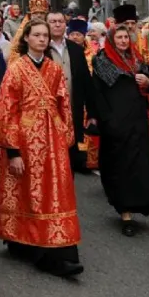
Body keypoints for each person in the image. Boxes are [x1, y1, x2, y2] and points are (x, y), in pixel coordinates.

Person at [0, 17, 83, 278]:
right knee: (26, 193)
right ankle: (27, 244)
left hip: (51, 142)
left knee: (55, 195)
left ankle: (58, 251)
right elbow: (7, 110)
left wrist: (65, 137)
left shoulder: (54, 69)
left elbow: (64, 106)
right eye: (37, 35)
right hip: (24, 141)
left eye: (45, 35)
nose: (42, 39)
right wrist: (13, 151)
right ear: (26, 38)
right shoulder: (16, 69)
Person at [92, 24, 149, 235]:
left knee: (138, 163)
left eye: (125, 37)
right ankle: (125, 213)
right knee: (120, 166)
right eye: (119, 37)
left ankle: (138, 203)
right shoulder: (102, 61)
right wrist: (106, 120)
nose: (123, 41)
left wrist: (148, 81)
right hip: (115, 121)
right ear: (111, 39)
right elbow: (97, 93)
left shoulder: (137, 58)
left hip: (137, 120)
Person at [47, 11, 92, 175]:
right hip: (50, 114)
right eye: (53, 21)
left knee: (71, 159)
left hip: (74, 110)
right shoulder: (42, 49)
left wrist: (92, 111)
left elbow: (87, 82)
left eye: (60, 21)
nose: (57, 24)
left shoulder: (75, 49)